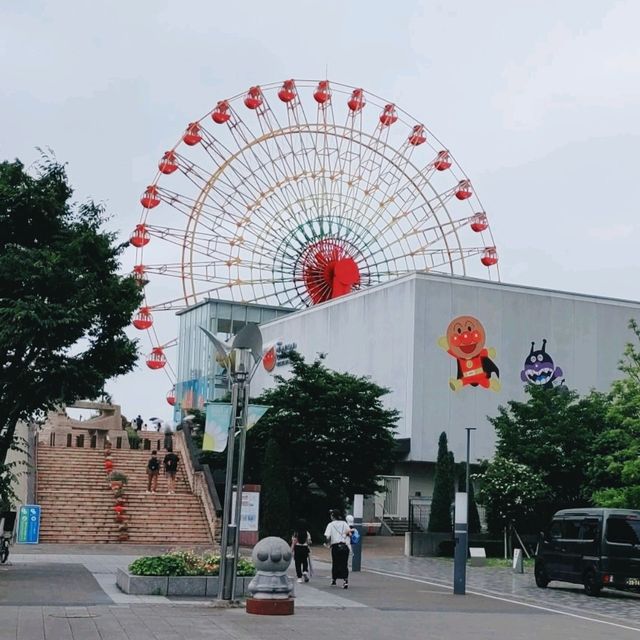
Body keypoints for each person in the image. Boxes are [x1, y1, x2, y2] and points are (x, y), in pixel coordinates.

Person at [324, 509, 351, 589]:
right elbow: (349, 533)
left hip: (335, 546)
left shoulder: (330, 525)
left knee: (335, 563)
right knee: (344, 564)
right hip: (344, 546)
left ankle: (334, 580)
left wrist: (327, 543)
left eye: (331, 515)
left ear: (333, 516)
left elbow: (328, 536)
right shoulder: (344, 523)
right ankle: (345, 581)